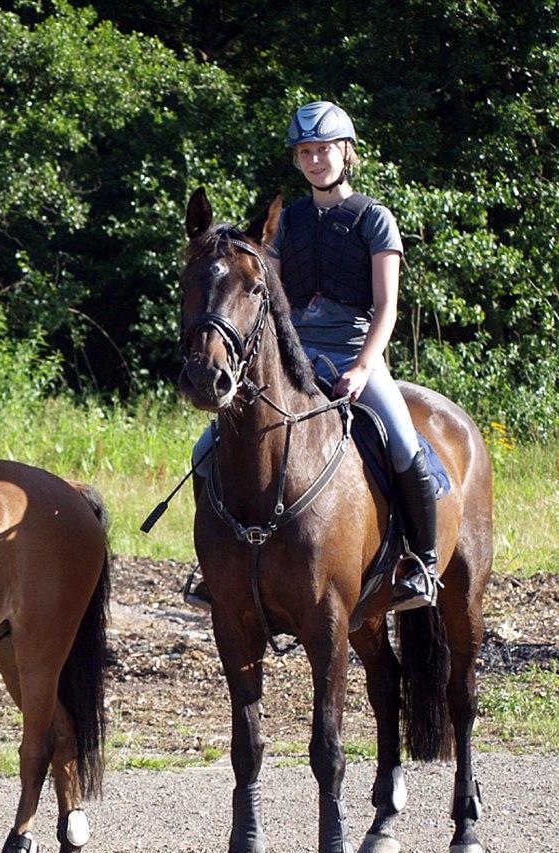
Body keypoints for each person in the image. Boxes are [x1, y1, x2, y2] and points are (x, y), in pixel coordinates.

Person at [187, 101, 439, 612]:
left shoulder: (374, 219)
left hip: (354, 352)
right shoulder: (289, 220)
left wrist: (365, 367)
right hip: (296, 355)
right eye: (305, 151)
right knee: (204, 450)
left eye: (323, 149)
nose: (314, 159)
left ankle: (421, 563)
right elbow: (268, 298)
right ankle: (216, 567)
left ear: (346, 153)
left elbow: (387, 306)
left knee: (405, 445)